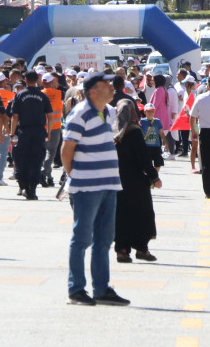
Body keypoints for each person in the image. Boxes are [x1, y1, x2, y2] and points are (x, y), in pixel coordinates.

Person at [62, 74, 128, 307]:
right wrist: (74, 175)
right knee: (82, 238)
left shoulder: (108, 112)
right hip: (87, 186)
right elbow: (67, 148)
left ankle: (101, 288)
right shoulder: (80, 113)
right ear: (92, 92)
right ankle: (76, 289)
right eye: (106, 85)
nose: (112, 88)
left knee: (104, 239)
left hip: (109, 184)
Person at [113, 99, 161, 263]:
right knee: (142, 214)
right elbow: (143, 158)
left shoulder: (112, 132)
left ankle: (122, 250)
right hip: (136, 182)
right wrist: (154, 177)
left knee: (121, 215)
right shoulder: (134, 131)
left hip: (117, 181)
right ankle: (141, 249)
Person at [8, 71, 51, 199]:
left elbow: (14, 117)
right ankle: (32, 190)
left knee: (23, 161)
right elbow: (50, 116)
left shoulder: (20, 95)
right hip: (38, 132)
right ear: (37, 80)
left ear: (25, 80)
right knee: (37, 161)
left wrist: (12, 134)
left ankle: (25, 187)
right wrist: (48, 133)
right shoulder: (43, 96)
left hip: (24, 132)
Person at [139, 104, 164, 169]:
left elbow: (161, 132)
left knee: (157, 164)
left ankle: (155, 177)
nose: (150, 113)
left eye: (152, 111)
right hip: (146, 146)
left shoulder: (157, 121)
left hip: (156, 146)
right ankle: (147, 178)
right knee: (146, 164)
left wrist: (166, 142)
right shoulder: (141, 121)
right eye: (148, 111)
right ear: (144, 112)